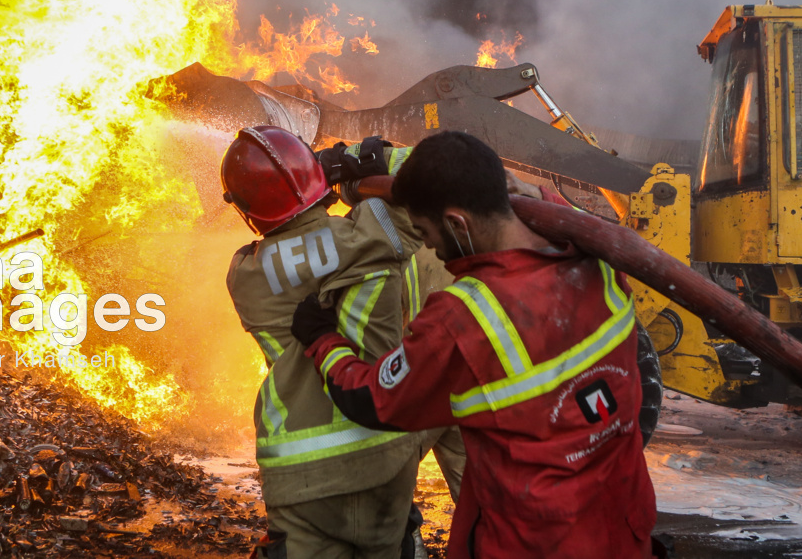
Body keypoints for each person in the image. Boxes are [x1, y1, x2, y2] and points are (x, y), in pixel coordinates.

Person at [291, 131, 659, 559]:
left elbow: (372, 400)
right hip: (625, 532)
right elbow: (545, 204)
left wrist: (321, 339)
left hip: (531, 545)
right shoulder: (595, 252)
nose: (426, 245)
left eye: (426, 232)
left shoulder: (465, 318)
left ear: (457, 224)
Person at [221, 126, 422, 559]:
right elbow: (429, 179)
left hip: (299, 471)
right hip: (384, 452)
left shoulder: (244, 277)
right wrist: (349, 165)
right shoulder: (376, 231)